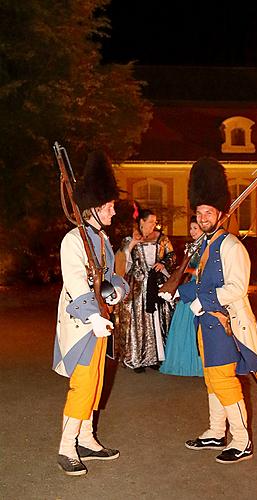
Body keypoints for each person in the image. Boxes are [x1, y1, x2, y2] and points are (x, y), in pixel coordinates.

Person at [160, 157, 257, 464]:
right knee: (211, 378)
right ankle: (217, 431)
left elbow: (236, 289)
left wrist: (202, 302)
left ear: (220, 214)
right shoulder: (203, 246)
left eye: (209, 212)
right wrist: (176, 292)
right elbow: (198, 284)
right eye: (200, 212)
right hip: (205, 325)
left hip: (224, 324)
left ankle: (242, 441)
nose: (203, 217)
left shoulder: (231, 246)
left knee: (223, 379)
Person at [53, 151, 129, 476]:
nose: (114, 209)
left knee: (95, 381)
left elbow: (109, 278)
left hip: (100, 322)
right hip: (83, 324)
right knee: (83, 385)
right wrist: (94, 317)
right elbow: (75, 283)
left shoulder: (101, 240)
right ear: (96, 208)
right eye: (109, 205)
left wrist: (118, 290)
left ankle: (87, 438)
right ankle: (67, 446)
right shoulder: (74, 240)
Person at [115, 208, 176, 372]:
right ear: (141, 222)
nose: (153, 225)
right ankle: (138, 358)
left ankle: (156, 358)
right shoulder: (129, 239)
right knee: (139, 321)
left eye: (155, 222)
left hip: (157, 284)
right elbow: (121, 262)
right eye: (150, 222)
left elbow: (172, 256)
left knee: (157, 319)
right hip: (138, 286)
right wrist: (133, 243)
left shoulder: (162, 239)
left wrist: (163, 263)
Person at [159, 215, 204, 376]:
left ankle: (196, 364)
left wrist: (187, 270)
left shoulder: (207, 246)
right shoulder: (193, 246)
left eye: (195, 228)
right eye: (191, 228)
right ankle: (182, 363)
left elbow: (204, 271)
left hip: (199, 285)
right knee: (181, 325)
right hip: (188, 285)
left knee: (195, 325)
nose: (192, 232)